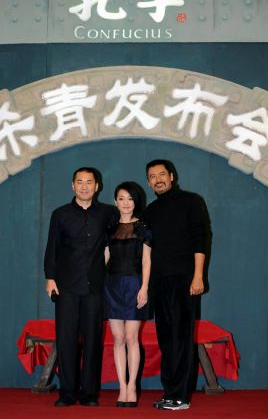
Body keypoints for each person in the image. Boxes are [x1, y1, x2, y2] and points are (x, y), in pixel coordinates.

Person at [44, 167, 115, 407]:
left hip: (95, 286)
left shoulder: (108, 214)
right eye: (80, 182)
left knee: (93, 341)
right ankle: (67, 393)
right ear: (73, 186)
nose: (84, 186)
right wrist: (50, 278)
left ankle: (89, 394)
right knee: (66, 340)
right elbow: (52, 248)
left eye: (89, 182)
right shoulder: (60, 214)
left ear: (97, 186)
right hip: (66, 287)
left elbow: (114, 244)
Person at [145, 159, 207, 411]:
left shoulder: (192, 202)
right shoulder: (151, 210)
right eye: (152, 176)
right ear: (149, 181)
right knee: (165, 339)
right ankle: (169, 392)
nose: (158, 179)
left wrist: (198, 276)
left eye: (162, 174)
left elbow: (201, 239)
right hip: (159, 282)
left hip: (184, 279)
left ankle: (180, 396)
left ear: (172, 176)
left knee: (181, 338)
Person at [104, 182, 151, 408]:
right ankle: (121, 387)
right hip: (111, 285)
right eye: (121, 198)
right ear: (115, 201)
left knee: (132, 338)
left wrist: (144, 287)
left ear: (136, 201)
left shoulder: (143, 227)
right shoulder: (110, 228)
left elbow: (146, 260)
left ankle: (132, 386)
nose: (125, 203)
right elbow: (104, 258)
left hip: (134, 285)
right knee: (118, 339)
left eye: (130, 199)